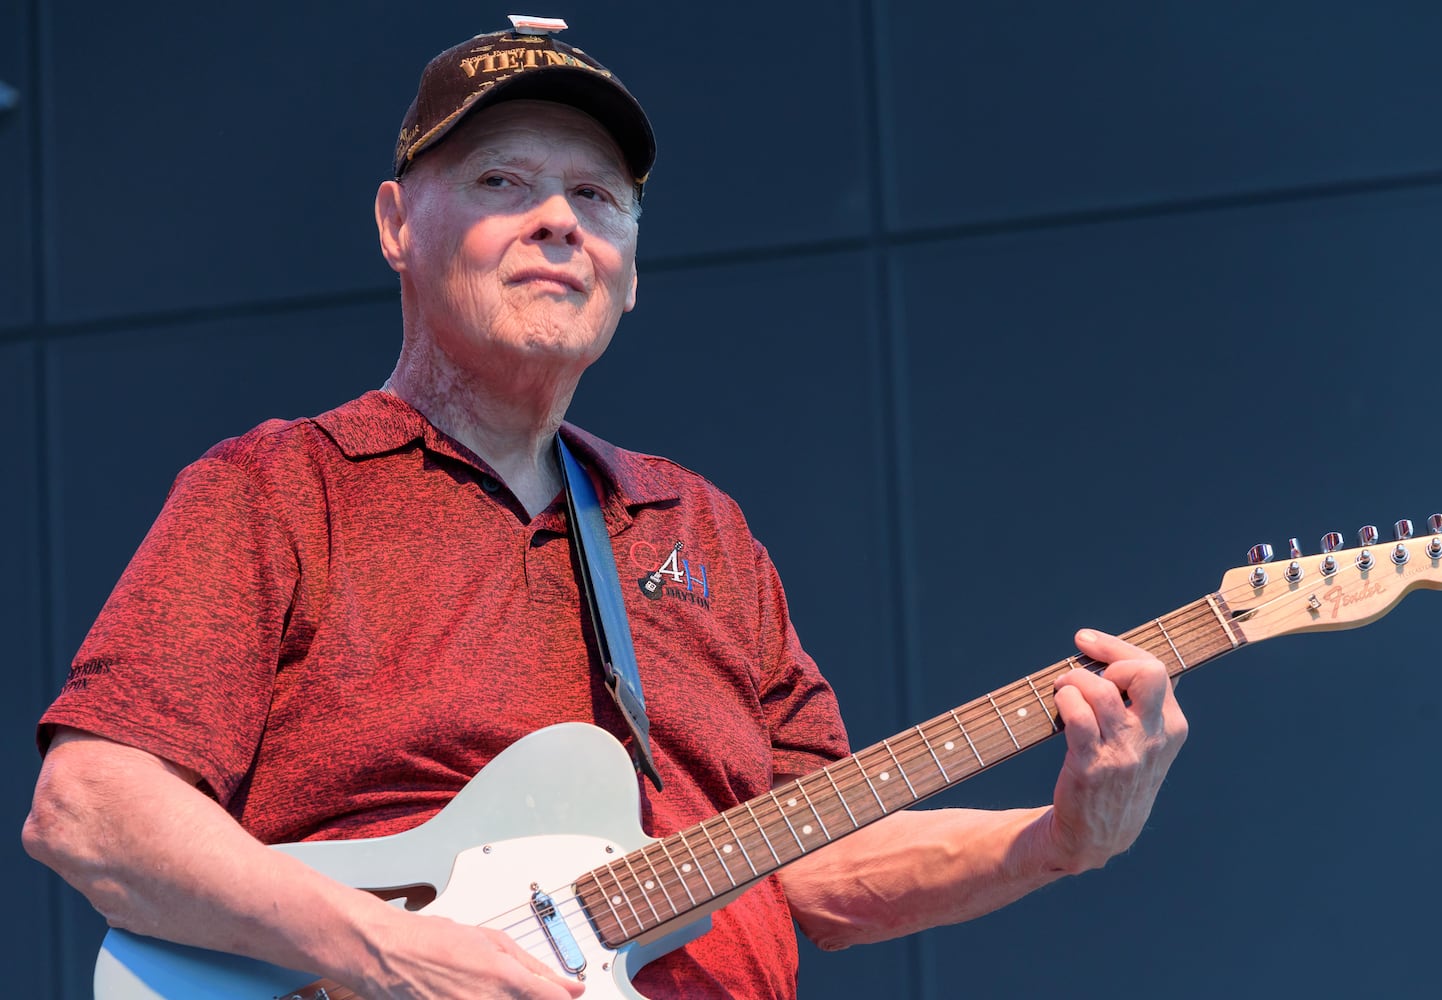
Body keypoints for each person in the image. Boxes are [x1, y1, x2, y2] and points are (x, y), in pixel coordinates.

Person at [23, 18, 1187, 1000]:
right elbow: (90, 808)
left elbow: (813, 863)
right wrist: (384, 948)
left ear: (631, 269)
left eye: (596, 196)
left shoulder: (698, 526)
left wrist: (1056, 840)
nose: (558, 221)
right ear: (394, 227)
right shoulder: (280, 487)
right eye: (500, 183)